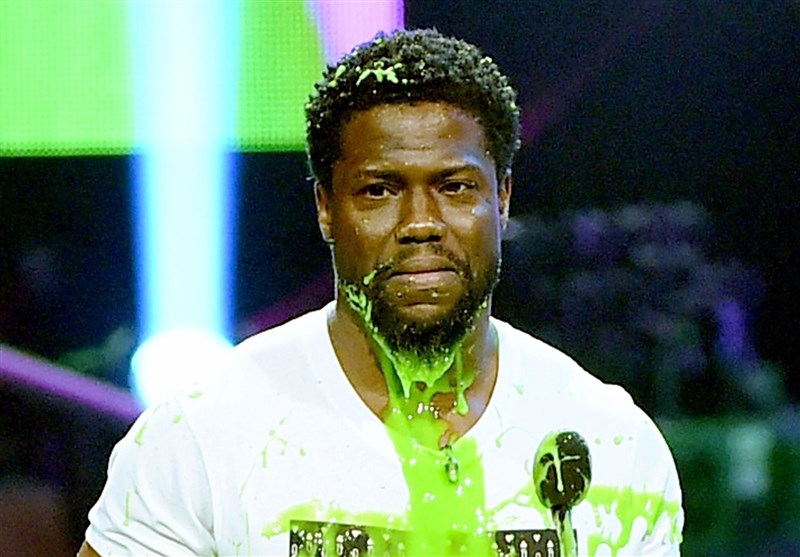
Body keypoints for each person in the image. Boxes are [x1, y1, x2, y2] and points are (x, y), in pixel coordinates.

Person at [78, 29, 684, 556]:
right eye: (379, 191)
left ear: (501, 198)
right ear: (325, 207)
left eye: (454, 186)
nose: (420, 222)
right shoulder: (202, 434)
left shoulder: (610, 441)